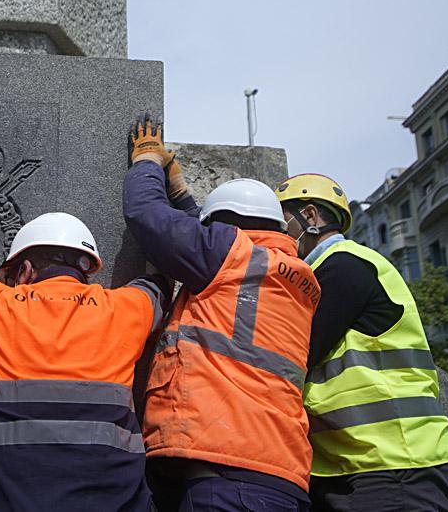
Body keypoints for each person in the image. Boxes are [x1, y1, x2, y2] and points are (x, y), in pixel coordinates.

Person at [0, 161, 166, 512]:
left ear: (24, 270)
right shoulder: (125, 310)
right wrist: (151, 189)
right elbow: (159, 277)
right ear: (87, 267)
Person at [122, 116, 319, 511]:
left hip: (229, 478)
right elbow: (205, 243)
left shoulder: (227, 254)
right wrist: (180, 194)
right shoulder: (293, 275)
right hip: (276, 473)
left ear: (220, 226)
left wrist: (145, 161)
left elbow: (146, 215)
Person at [276, 173, 448, 511]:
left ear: (310, 216)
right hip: (364, 464)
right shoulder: (332, 270)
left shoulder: (344, 267)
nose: (278, 233)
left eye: (282, 221)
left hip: (394, 465)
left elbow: (294, 353)